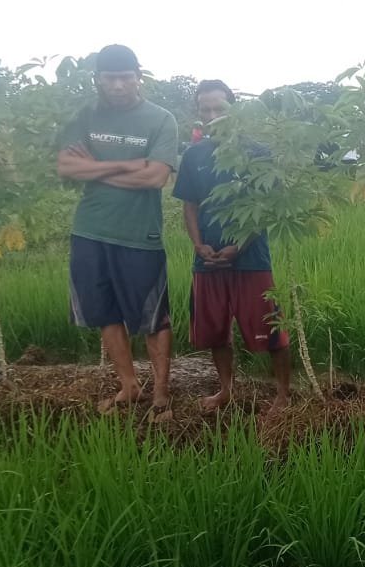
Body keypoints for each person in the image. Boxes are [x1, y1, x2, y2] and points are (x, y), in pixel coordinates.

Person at [54, 44, 180, 422]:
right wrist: (128, 164)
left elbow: (156, 176)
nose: (119, 85)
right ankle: (129, 385)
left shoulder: (161, 119)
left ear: (139, 77)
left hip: (139, 236)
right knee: (104, 312)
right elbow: (66, 166)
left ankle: (160, 391)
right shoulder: (85, 116)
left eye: (126, 77)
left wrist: (97, 166)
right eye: (110, 78)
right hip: (90, 231)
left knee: (152, 317)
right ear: (98, 80)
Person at [173, 79, 291, 414]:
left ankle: (283, 394)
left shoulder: (257, 152)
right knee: (214, 332)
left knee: (270, 330)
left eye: (219, 108)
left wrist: (238, 246)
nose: (212, 115)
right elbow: (190, 205)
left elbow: (264, 207)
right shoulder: (194, 155)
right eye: (205, 109)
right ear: (198, 112)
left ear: (232, 108)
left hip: (251, 259)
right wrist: (198, 245)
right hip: (208, 261)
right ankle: (226, 390)